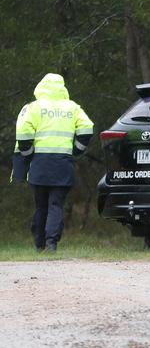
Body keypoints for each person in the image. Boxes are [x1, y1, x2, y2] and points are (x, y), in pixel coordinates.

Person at [14, 73, 94, 252]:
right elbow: (87, 127)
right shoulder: (72, 108)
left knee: (40, 205)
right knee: (55, 204)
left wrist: (27, 154)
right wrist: (77, 151)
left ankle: (39, 244)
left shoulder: (33, 107)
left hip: (39, 162)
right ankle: (52, 243)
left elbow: (22, 130)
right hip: (62, 163)